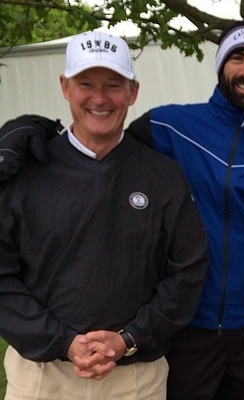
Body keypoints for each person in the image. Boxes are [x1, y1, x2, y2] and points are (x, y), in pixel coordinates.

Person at [0, 21, 244, 400]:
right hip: (187, 329)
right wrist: (33, 128)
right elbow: (95, 139)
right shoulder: (169, 125)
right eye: (237, 57)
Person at [0, 29, 209, 400]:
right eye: (86, 84)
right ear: (65, 87)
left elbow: (188, 271)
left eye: (113, 85)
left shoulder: (163, 176)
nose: (99, 98)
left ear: (133, 92)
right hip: (43, 378)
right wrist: (63, 342)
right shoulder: (25, 171)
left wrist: (128, 338)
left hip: (135, 379)